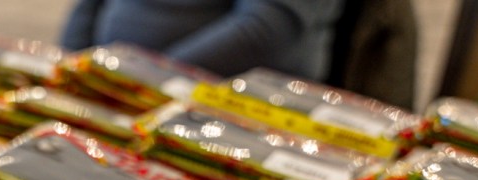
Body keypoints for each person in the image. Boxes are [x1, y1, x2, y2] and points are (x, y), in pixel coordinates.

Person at [59, 0, 345, 80]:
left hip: (218, 106)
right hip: (119, 83)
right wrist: (71, 68)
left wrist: (146, 82)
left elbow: (267, 30)